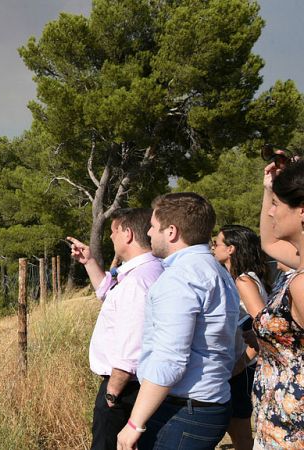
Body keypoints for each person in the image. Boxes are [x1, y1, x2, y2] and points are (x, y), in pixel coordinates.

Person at [116, 192, 240, 450]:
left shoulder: (179, 279)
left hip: (186, 410)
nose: (148, 234)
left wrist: (134, 424)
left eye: (152, 226)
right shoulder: (217, 271)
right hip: (211, 403)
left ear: (171, 231)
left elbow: (169, 360)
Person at [67, 208, 163, 450]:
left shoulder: (136, 281)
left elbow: (131, 346)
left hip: (124, 389)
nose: (110, 237)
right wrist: (88, 261)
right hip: (141, 385)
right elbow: (109, 294)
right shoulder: (151, 269)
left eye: (114, 231)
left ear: (127, 234)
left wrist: (111, 394)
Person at [251, 158, 304, 448]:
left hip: (292, 431)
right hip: (277, 423)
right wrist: (270, 188)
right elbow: (269, 243)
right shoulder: (297, 264)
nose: (271, 210)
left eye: (278, 204)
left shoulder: (301, 283)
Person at [211, 225, 269, 450]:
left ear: (231, 249)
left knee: (241, 434)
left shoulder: (243, 281)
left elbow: (262, 329)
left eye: (217, 243)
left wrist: (241, 363)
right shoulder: (242, 278)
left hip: (242, 367)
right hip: (241, 366)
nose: (213, 247)